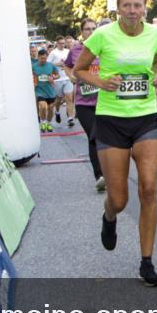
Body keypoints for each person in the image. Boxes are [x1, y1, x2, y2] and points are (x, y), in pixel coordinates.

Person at [72, 0, 157, 286]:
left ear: (144, 9)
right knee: (119, 199)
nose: (131, 10)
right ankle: (109, 217)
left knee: (149, 189)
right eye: (126, 5)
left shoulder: (155, 34)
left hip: (145, 119)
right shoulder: (102, 35)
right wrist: (101, 82)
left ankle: (147, 262)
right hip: (111, 121)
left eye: (137, 5)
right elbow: (79, 70)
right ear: (118, 9)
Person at [65, 18, 105, 192]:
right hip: (83, 103)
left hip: (104, 101)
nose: (90, 31)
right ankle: (99, 175)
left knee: (105, 138)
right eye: (87, 29)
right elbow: (67, 66)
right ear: (81, 32)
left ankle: (108, 172)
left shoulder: (105, 49)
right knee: (94, 136)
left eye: (93, 28)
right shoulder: (76, 51)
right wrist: (71, 76)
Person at [48, 36, 75, 127]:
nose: (62, 45)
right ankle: (58, 112)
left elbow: (72, 63)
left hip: (67, 78)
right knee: (58, 99)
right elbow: (48, 64)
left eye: (63, 43)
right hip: (58, 79)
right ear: (57, 43)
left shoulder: (68, 51)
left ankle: (70, 118)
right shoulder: (53, 53)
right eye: (60, 43)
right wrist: (57, 64)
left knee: (69, 98)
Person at [32, 47, 59, 132]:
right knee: (43, 106)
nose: (44, 60)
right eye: (42, 58)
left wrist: (54, 77)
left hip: (50, 91)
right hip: (40, 91)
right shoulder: (34, 66)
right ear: (38, 57)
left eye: (45, 58)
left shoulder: (51, 65)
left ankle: (48, 123)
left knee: (51, 108)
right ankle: (43, 122)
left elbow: (58, 75)